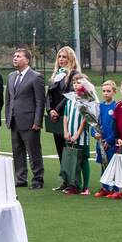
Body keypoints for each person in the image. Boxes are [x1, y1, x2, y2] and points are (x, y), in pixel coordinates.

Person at [6, 47, 45, 190]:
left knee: (33, 151)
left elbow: (40, 101)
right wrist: (8, 117)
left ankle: (38, 179)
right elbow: (9, 99)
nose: (15, 58)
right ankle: (20, 178)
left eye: (18, 56)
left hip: (29, 122)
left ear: (27, 60)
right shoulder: (11, 76)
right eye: (14, 56)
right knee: (17, 151)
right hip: (15, 120)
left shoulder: (36, 77)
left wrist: (37, 122)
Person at [45, 47, 77, 186]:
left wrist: (57, 110)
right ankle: (65, 179)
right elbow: (48, 95)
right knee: (59, 148)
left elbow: (70, 95)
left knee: (69, 148)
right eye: (60, 57)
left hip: (67, 115)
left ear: (70, 59)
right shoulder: (56, 75)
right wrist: (50, 110)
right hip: (54, 117)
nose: (62, 60)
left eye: (64, 57)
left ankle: (72, 180)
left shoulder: (73, 75)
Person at [62, 73, 92, 195]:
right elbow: (65, 115)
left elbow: (86, 118)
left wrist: (77, 135)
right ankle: (74, 185)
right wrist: (65, 131)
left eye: (78, 82)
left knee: (83, 160)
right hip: (69, 134)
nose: (75, 85)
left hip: (81, 137)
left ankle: (85, 187)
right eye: (74, 83)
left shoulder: (87, 99)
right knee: (73, 160)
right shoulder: (70, 99)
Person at [92, 79, 118, 198]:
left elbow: (117, 128)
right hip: (100, 143)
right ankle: (105, 187)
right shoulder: (99, 106)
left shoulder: (116, 106)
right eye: (104, 91)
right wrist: (94, 134)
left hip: (111, 143)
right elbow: (93, 123)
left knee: (112, 165)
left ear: (114, 92)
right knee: (103, 164)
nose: (106, 93)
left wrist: (109, 140)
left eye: (108, 91)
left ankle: (115, 189)